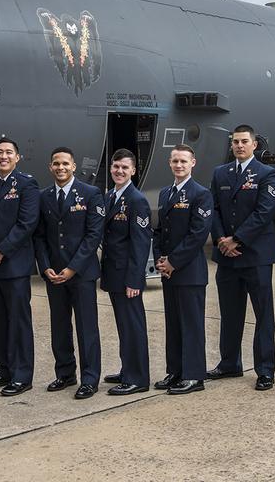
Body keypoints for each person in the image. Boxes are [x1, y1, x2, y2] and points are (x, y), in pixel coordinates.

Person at [207, 125, 275, 391]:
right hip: (227, 257)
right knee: (229, 313)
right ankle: (229, 363)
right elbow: (212, 208)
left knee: (263, 315)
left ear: (254, 145)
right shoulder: (220, 173)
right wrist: (220, 240)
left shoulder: (266, 174)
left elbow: (264, 212)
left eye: (244, 141)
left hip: (256, 256)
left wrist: (236, 239)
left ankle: (265, 370)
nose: (239, 146)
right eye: (235, 142)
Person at [33, 147, 104, 400]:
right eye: (56, 164)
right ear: (50, 167)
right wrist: (45, 267)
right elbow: (39, 236)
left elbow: (93, 235)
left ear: (74, 166)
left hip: (81, 274)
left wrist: (72, 268)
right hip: (54, 274)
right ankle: (65, 373)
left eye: (65, 163)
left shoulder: (91, 193)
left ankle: (89, 378)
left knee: (87, 328)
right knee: (59, 327)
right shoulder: (43, 197)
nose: (60, 167)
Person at [0, 137, 40, 397]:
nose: (3, 156)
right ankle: (4, 369)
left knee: (18, 321)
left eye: (9, 152)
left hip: (15, 265)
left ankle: (22, 375)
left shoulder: (26, 184)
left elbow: (27, 223)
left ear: (17, 157)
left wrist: (1, 251)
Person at [152, 144, 213, 395]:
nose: (179, 165)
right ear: (170, 163)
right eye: (175, 161)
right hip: (169, 271)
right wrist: (159, 259)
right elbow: (158, 231)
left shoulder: (200, 193)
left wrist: (173, 261)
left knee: (191, 325)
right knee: (173, 324)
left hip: (189, 271)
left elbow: (198, 234)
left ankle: (194, 376)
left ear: (193, 163)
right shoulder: (166, 193)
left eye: (183, 161)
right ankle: (175, 371)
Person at [101, 148, 152, 395]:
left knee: (133, 326)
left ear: (133, 171)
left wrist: (135, 279)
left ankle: (138, 379)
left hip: (127, 277)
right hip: (114, 274)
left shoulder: (137, 200)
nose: (119, 171)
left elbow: (140, 244)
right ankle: (127, 369)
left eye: (124, 167)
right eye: (116, 167)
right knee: (123, 326)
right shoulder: (111, 196)